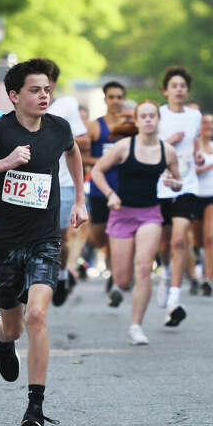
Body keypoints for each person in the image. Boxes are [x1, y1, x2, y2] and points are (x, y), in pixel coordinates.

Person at [0, 58, 88, 426]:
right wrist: (5, 163)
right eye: (34, 89)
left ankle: (35, 408)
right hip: (6, 244)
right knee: (13, 326)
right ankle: (0, 336)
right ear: (14, 96)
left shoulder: (59, 128)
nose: (43, 95)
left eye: (47, 89)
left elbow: (73, 152)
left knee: (38, 317)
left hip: (45, 240)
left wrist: (80, 198)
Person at [90, 100, 186, 344]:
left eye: (152, 116)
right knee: (122, 279)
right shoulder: (124, 146)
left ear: (158, 119)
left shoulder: (167, 151)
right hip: (122, 214)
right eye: (143, 116)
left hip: (150, 214)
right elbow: (97, 171)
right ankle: (119, 287)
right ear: (137, 120)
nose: (148, 120)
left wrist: (173, 183)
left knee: (144, 267)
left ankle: (136, 326)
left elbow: (179, 181)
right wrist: (110, 194)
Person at [155, 66, 203, 324]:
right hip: (161, 184)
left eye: (183, 86)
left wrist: (198, 154)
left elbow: (196, 143)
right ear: (165, 90)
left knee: (178, 240)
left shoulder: (195, 116)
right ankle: (165, 274)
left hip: (187, 183)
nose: (179, 90)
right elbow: (147, 146)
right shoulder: (157, 115)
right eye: (174, 86)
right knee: (163, 244)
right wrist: (168, 142)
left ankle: (175, 296)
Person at [46, 90, 90, 305]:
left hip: (62, 184)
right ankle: (37, 279)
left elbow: (84, 143)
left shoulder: (66, 107)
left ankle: (61, 275)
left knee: (59, 238)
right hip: (33, 185)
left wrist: (57, 139)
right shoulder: (21, 110)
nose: (41, 93)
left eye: (45, 86)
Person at [84, 81, 128, 283]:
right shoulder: (94, 126)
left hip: (124, 188)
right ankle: (110, 264)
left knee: (117, 233)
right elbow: (81, 158)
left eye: (119, 97)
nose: (116, 101)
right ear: (105, 99)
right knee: (98, 235)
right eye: (112, 97)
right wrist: (105, 161)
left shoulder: (131, 125)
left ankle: (115, 274)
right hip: (99, 188)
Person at [193, 113, 213, 296]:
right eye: (205, 122)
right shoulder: (193, 145)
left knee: (210, 237)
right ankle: (197, 264)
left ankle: (208, 278)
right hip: (195, 195)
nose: (209, 125)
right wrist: (208, 167)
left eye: (212, 122)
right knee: (197, 240)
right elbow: (188, 169)